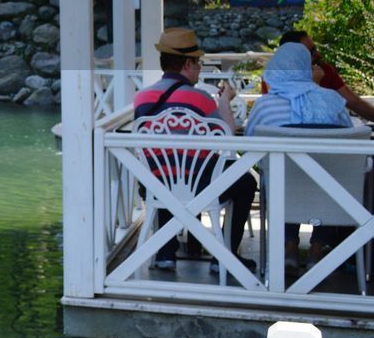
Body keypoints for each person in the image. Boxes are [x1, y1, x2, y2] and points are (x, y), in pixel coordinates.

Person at [133, 28, 258, 273]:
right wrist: (224, 102)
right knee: (245, 182)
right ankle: (224, 255)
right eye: (198, 63)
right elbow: (227, 139)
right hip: (199, 187)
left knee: (168, 171)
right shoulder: (200, 98)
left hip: (154, 184)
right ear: (187, 64)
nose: (200, 68)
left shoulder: (142, 98)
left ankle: (165, 254)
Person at [246, 41, 355, 270]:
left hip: (283, 192)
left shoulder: (264, 106)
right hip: (329, 194)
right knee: (330, 173)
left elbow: (250, 147)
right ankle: (317, 250)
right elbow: (350, 141)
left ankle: (289, 248)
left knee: (280, 175)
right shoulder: (333, 100)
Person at [273, 30, 374, 123]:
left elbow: (354, 102)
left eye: (315, 49)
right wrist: (313, 85)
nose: (318, 53)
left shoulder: (324, 70)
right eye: (312, 51)